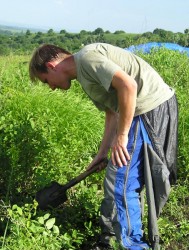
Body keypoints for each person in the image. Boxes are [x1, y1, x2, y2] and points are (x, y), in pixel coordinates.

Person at [29, 43, 178, 250]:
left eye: (46, 81)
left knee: (121, 183)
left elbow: (128, 86)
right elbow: (113, 112)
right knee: (118, 177)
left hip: (148, 110)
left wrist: (122, 136)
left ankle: (133, 245)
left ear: (52, 65)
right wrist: (102, 153)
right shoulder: (83, 74)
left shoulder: (87, 58)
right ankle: (109, 238)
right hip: (143, 111)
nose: (51, 87)